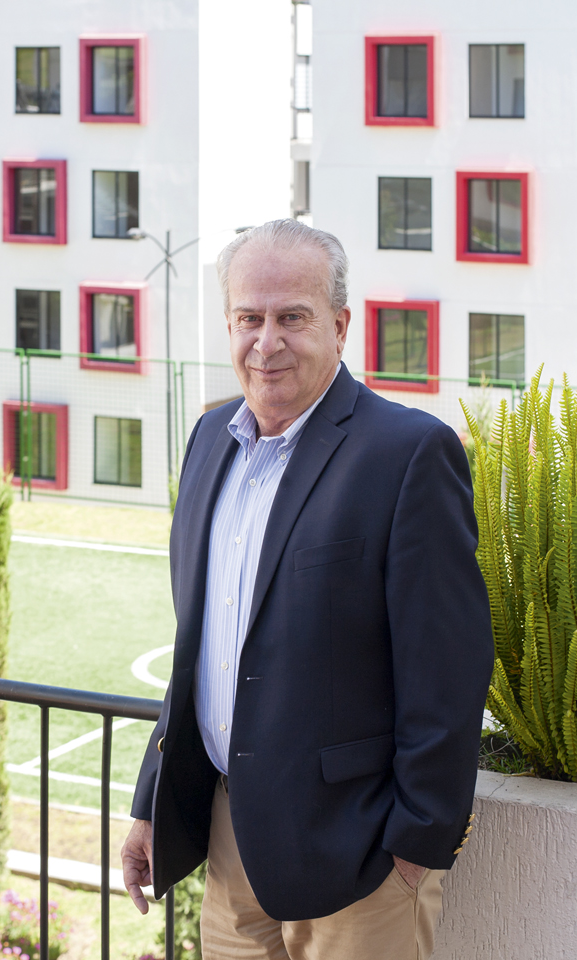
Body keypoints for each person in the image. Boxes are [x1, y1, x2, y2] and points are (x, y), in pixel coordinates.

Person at [120, 220, 493, 959]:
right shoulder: (208, 441)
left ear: (340, 326)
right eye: (248, 318)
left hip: (358, 859)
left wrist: (416, 846)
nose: (268, 342)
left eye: (292, 316)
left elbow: (447, 669)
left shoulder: (407, 453)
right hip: (231, 846)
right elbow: (203, 649)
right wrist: (152, 804)